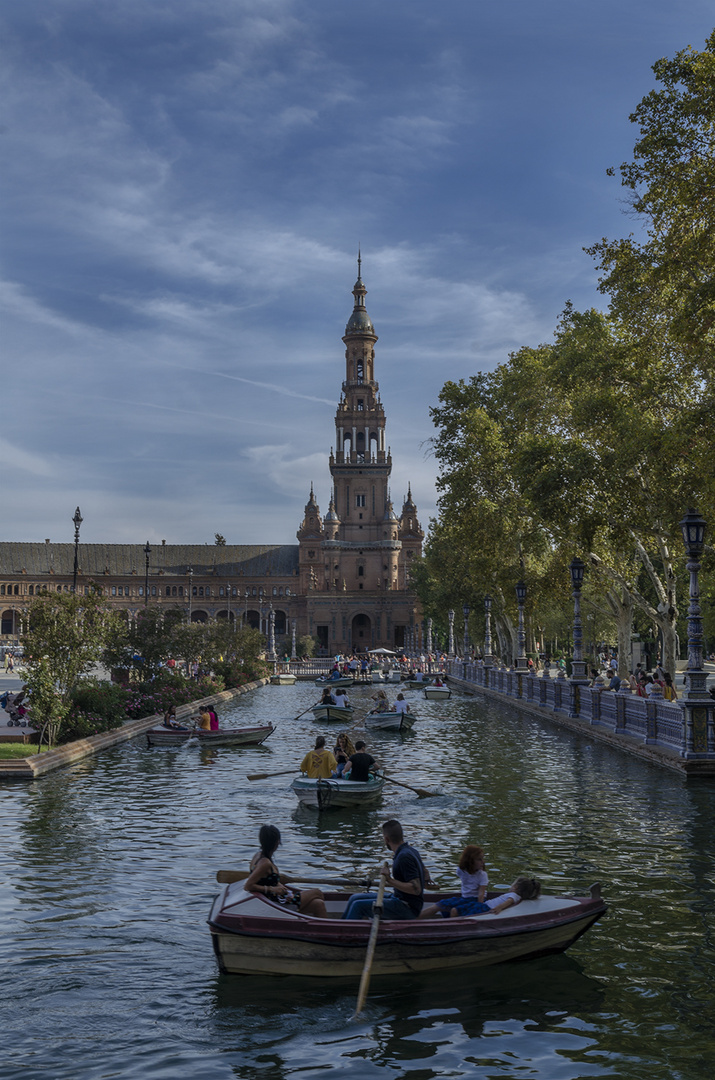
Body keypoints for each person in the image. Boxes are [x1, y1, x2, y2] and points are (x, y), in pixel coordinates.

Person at [342, 819, 432, 920]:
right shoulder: (411, 850)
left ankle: (345, 932)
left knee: (358, 906)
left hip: (407, 908)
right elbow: (424, 871)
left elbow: (416, 889)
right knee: (354, 898)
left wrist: (389, 879)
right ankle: (341, 926)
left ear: (386, 839)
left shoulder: (404, 857)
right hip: (398, 897)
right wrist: (426, 877)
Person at [244, 824, 328, 917]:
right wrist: (272, 889)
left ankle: (324, 929)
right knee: (317, 893)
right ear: (277, 842)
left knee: (318, 904)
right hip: (276, 904)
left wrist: (283, 889)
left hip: (278, 899)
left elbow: (265, 880)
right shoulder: (265, 863)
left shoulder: (258, 856)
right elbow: (248, 886)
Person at [419, 845, 488, 918]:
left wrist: (479, 907)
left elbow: (481, 894)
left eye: (482, 859)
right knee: (439, 905)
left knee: (454, 911)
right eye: (479, 859)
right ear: (470, 861)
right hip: (464, 898)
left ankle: (450, 927)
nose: (482, 862)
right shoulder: (461, 871)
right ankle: (412, 920)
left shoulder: (482, 875)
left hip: (475, 900)